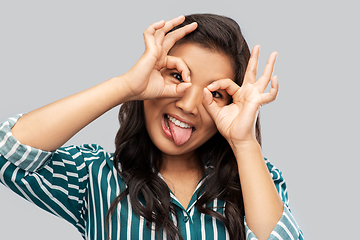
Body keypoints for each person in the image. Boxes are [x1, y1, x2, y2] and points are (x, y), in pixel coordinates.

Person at [0, 14, 303, 240]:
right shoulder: (95, 176)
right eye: (177, 76)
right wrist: (126, 86)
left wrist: (244, 143)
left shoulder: (257, 182)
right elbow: (8, 151)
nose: (188, 105)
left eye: (216, 94)